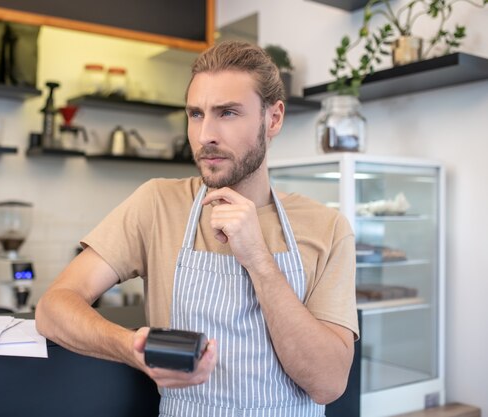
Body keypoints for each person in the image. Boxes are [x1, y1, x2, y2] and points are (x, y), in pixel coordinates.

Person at [36, 40, 358, 417]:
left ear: (273, 119)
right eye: (195, 114)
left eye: (228, 113)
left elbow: (328, 383)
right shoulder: (157, 204)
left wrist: (258, 259)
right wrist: (133, 348)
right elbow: (52, 308)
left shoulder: (327, 227)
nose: (206, 134)